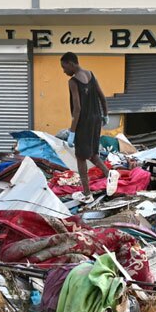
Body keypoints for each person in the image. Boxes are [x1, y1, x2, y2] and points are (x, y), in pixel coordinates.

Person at [61, 52, 118, 204]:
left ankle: (87, 193)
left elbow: (77, 108)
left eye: (64, 67)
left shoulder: (73, 82)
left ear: (71, 63)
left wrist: (72, 132)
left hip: (84, 122)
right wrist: (105, 115)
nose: (64, 71)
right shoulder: (91, 74)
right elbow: (102, 96)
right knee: (92, 153)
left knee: (80, 158)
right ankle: (109, 174)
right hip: (96, 119)